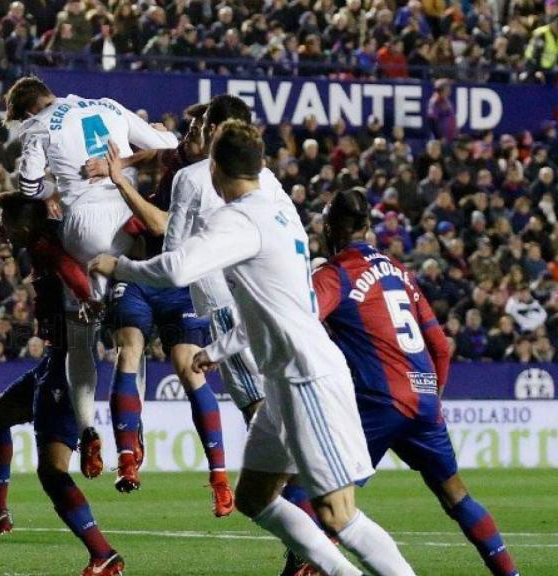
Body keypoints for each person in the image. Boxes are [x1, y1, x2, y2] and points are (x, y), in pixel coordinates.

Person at [90, 120, 414, 576]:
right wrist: (224, 346)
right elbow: (274, 301)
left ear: (216, 170)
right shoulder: (274, 207)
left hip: (306, 378)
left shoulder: (241, 218)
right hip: (282, 381)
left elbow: (179, 268)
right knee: (254, 497)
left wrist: (118, 266)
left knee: (339, 515)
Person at [276, 187, 520, 576]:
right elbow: (440, 345)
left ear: (331, 227)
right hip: (423, 397)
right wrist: (430, 399)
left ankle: (303, 568)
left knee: (304, 487)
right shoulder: (401, 272)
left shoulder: (334, 273)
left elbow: (301, 322)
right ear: (369, 226)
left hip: (378, 399)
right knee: (456, 494)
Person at [85, 101, 256, 515]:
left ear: (216, 134)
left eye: (199, 123)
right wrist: (127, 158)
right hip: (145, 273)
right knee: (128, 348)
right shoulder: (182, 155)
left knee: (189, 367)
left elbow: (163, 227)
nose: (190, 128)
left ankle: (219, 477)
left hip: (183, 280)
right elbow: (158, 153)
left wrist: (121, 181)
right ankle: (127, 457)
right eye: (191, 121)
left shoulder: (206, 180)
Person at [5, 75, 177, 477]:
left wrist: (55, 184)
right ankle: (132, 436)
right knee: (129, 335)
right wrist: (127, 162)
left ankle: (87, 432)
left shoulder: (40, 125)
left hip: (84, 224)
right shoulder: (107, 104)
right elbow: (168, 145)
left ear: (28, 109)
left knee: (80, 336)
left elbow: (28, 186)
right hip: (128, 214)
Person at [0, 192, 124, 576]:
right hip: (52, 360)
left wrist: (86, 297)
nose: (4, 228)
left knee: (52, 471)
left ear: (25, 224)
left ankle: (104, 554)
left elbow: (67, 268)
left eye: (7, 221)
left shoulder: (47, 246)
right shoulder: (35, 235)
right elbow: (22, 235)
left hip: (67, 363)